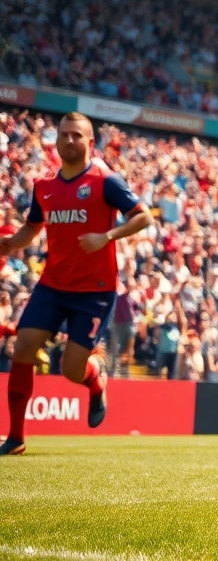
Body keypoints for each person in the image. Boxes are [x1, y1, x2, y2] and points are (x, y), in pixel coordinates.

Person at [0, 112, 154, 455]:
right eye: (64, 135)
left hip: (95, 290)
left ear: (90, 142)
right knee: (23, 347)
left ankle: (95, 380)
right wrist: (10, 242)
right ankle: (16, 438)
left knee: (71, 370)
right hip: (53, 285)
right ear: (56, 141)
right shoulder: (44, 186)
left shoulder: (107, 181)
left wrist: (108, 236)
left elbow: (143, 216)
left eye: (77, 136)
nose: (70, 141)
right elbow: (32, 229)